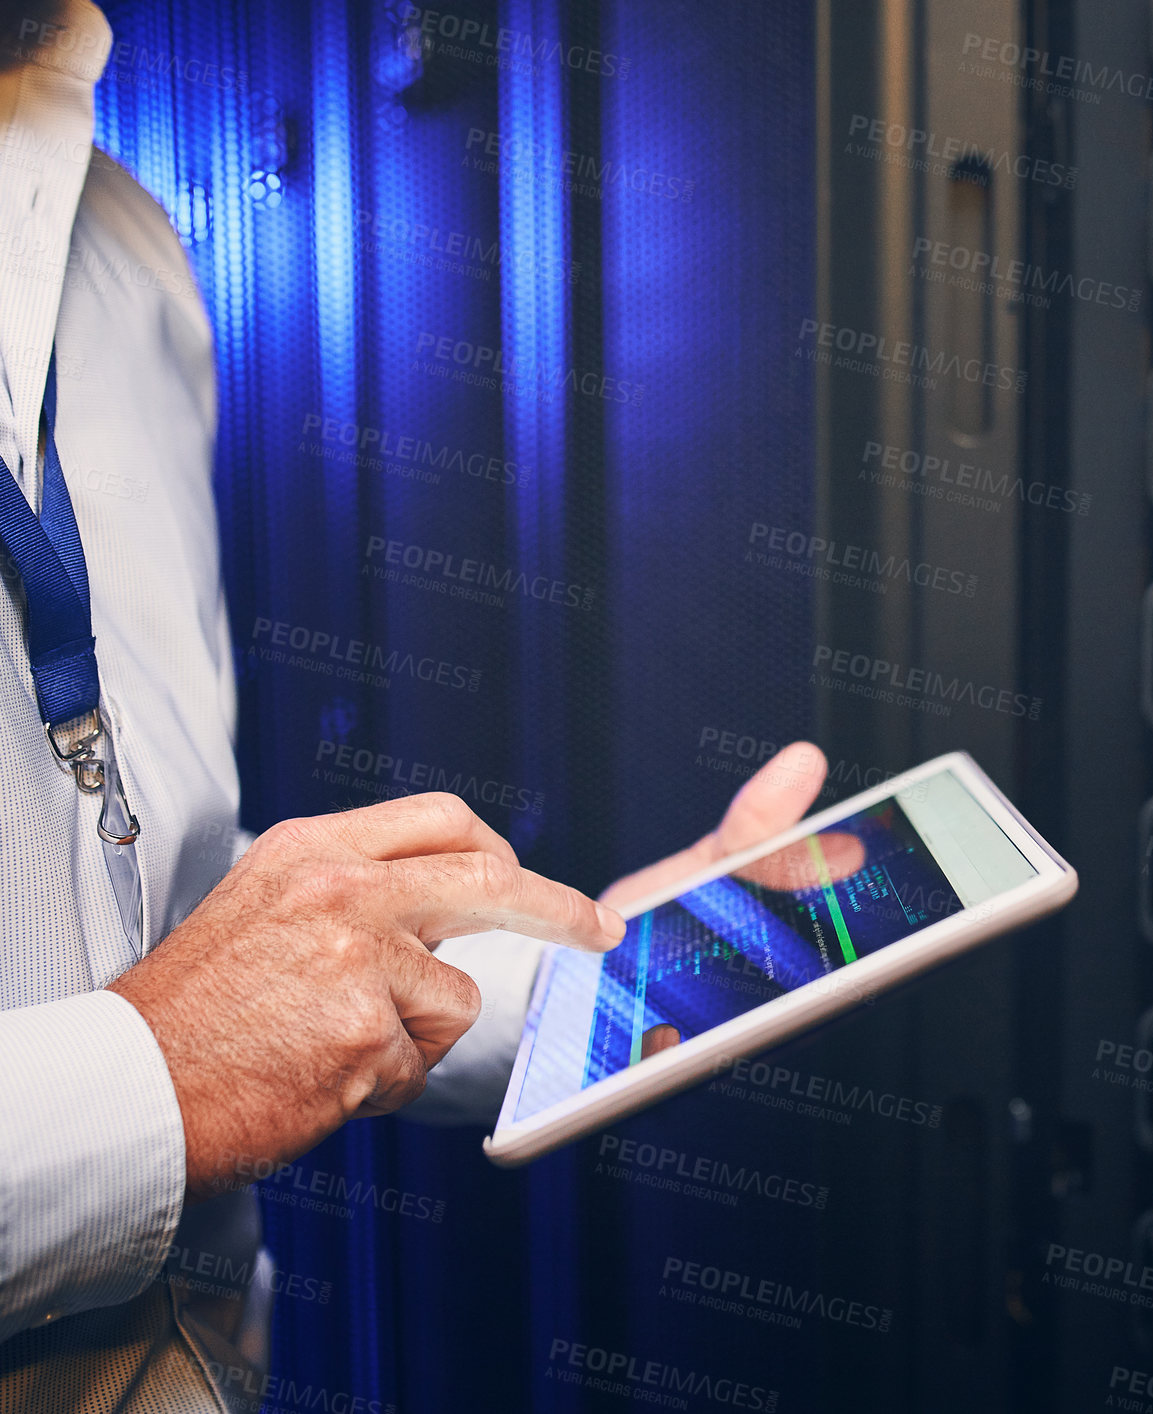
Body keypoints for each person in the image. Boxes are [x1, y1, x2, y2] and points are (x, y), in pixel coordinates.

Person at [0, 2, 836, 1409]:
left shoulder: (126, 245)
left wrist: (614, 972)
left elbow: (180, 940)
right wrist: (147, 1082)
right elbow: (175, 1036)